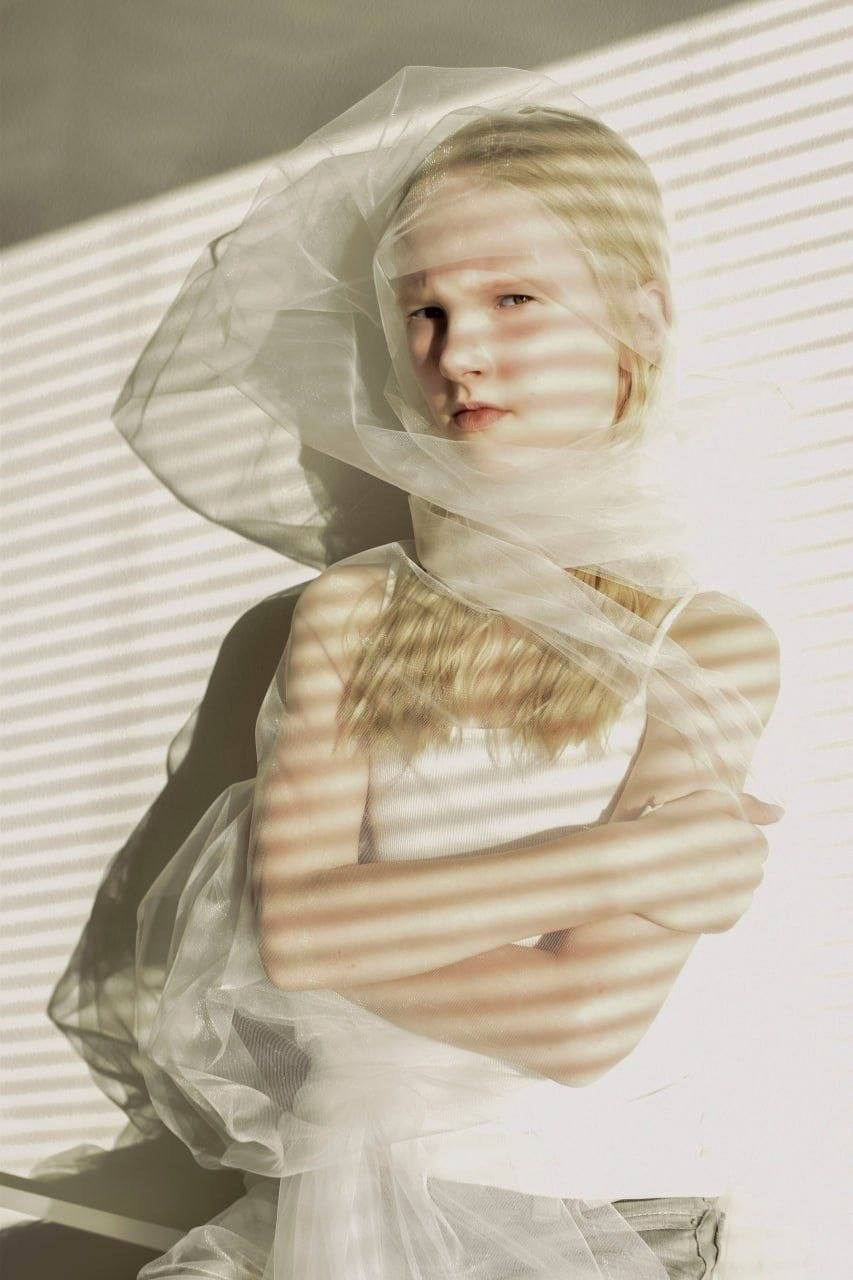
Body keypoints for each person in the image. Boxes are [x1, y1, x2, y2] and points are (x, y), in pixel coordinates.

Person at [80, 69, 787, 1277]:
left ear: (642, 317)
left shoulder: (707, 640)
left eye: (514, 298)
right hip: (346, 1202)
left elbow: (578, 1020)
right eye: (424, 311)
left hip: (613, 1215)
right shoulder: (353, 611)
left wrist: (369, 924)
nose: (460, 354)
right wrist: (630, 859)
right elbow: (298, 934)